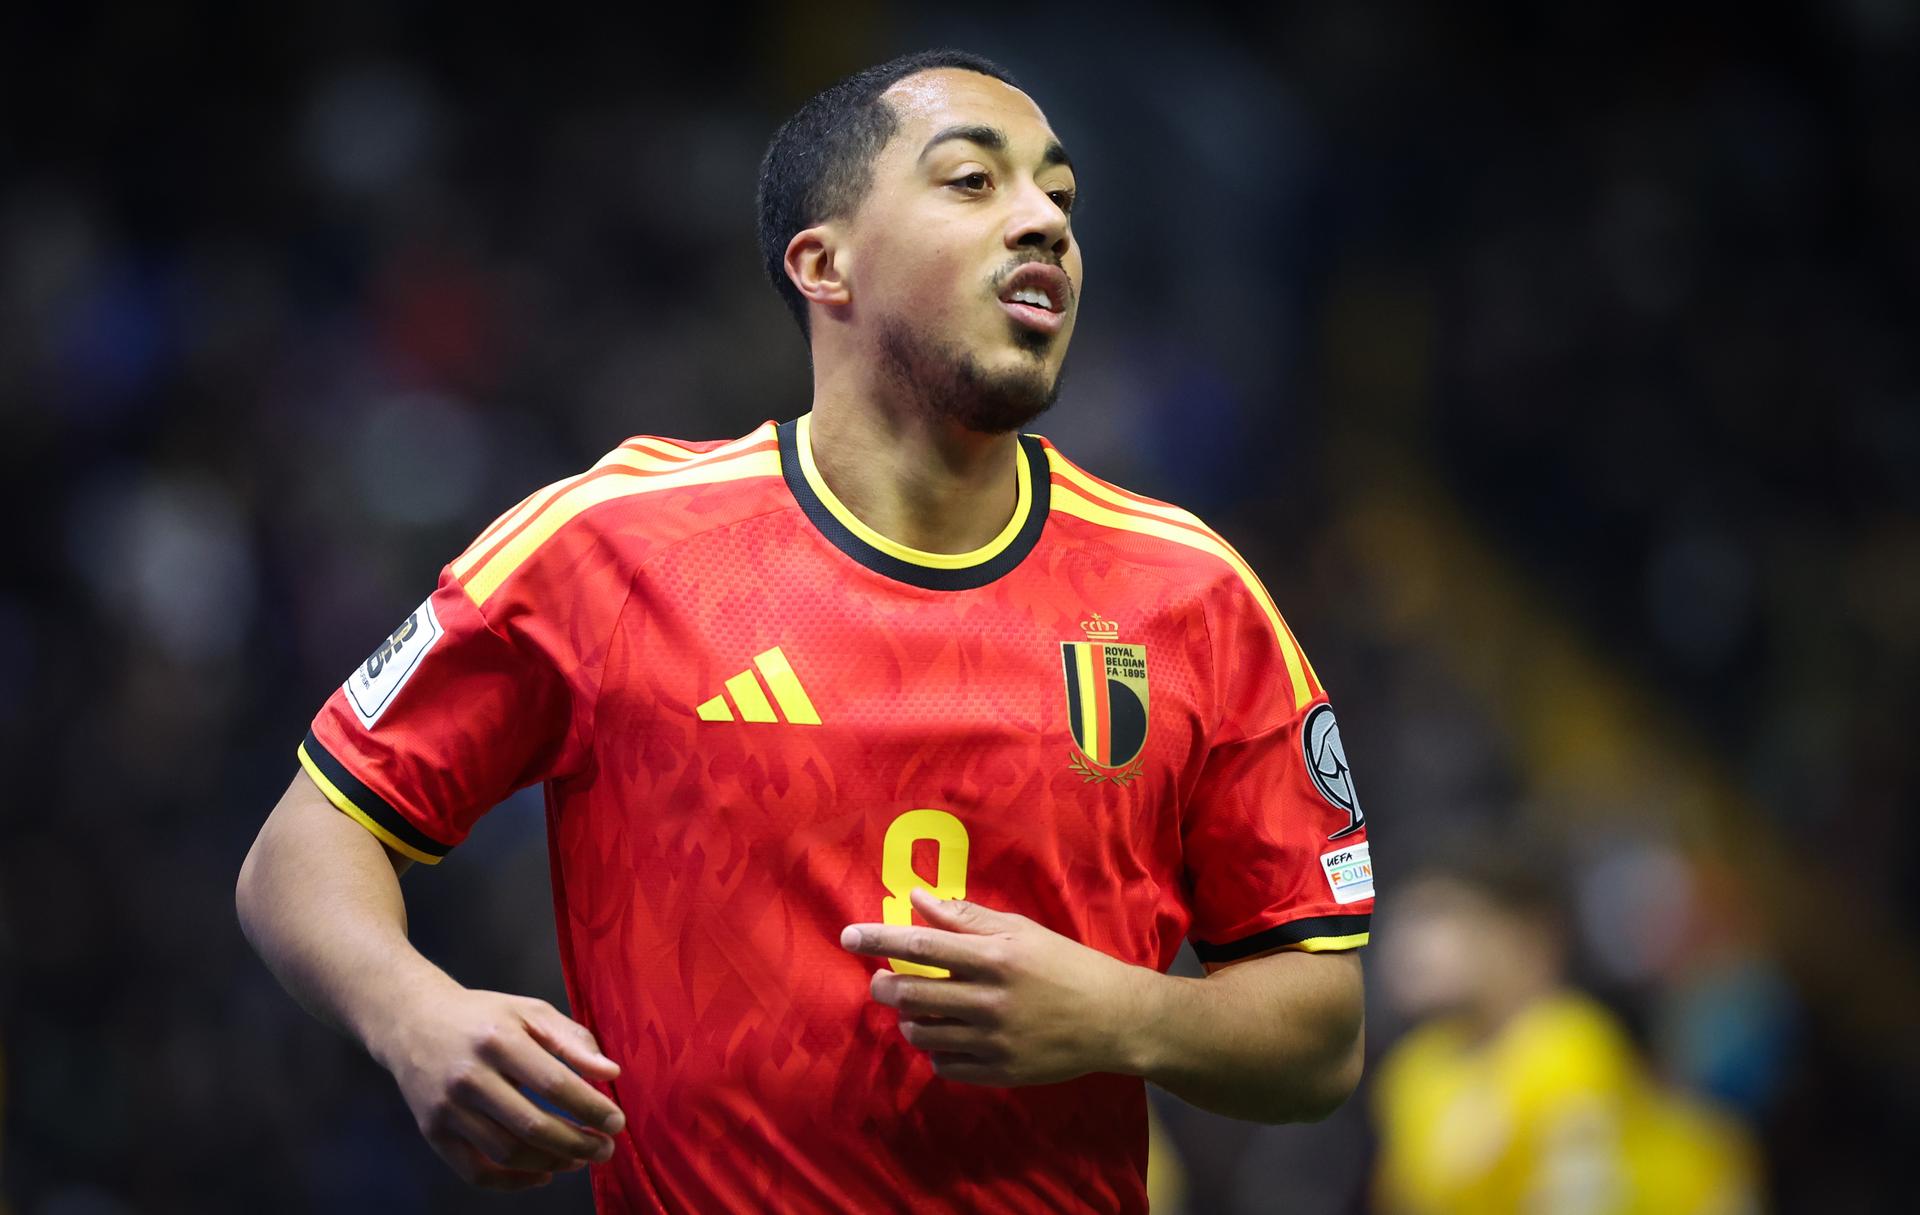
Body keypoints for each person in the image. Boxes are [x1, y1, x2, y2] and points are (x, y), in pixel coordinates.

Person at [236, 48, 1373, 1213]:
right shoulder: (611, 548)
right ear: (825, 264)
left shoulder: (1192, 593)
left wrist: (1127, 1013)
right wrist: (414, 1013)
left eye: (1061, 198)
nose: (1043, 221)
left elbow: (1321, 1038)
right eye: (974, 182)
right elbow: (301, 851)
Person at [1371, 848, 1761, 1215]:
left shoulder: (1568, 1043)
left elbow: (1584, 1200)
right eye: (1406, 917)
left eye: (1442, 915)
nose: (1412, 943)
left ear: (1524, 937)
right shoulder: (1410, 1073)